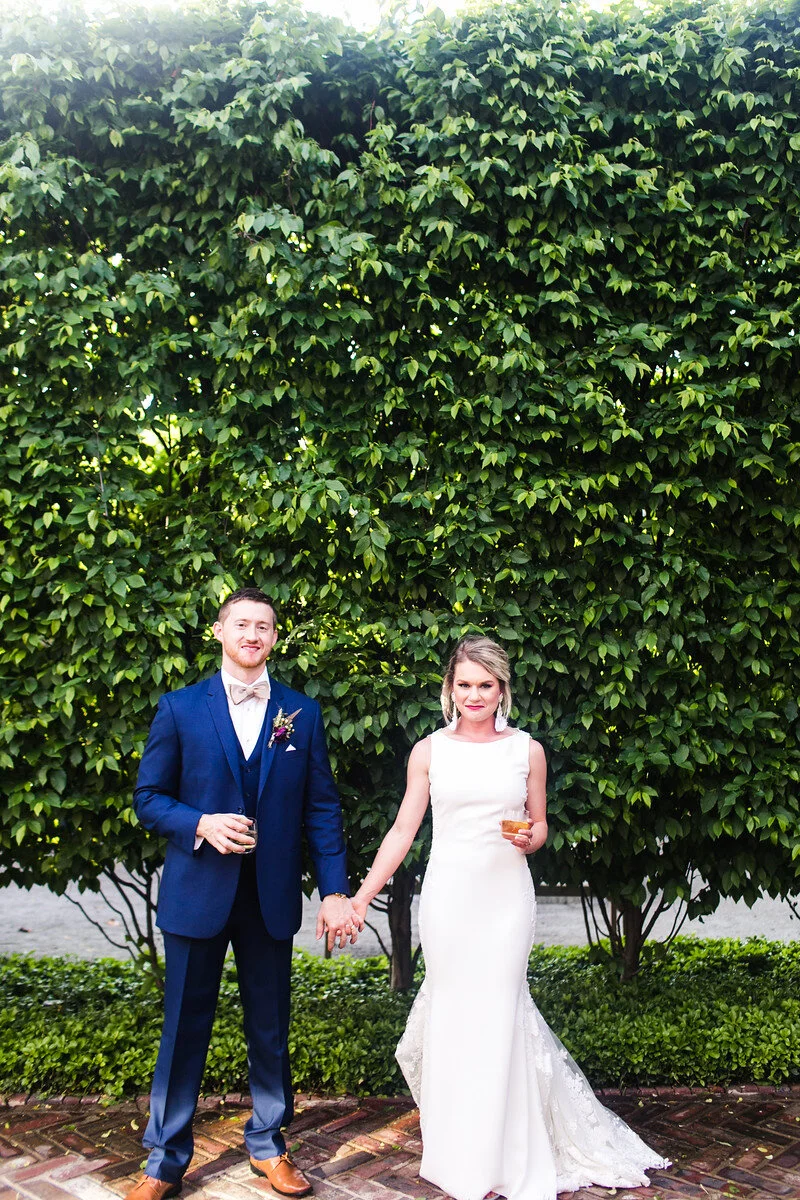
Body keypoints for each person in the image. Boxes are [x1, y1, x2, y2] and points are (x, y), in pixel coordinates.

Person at [352, 635, 669, 1200]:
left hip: (505, 900)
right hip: (450, 899)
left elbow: (540, 823)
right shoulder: (428, 752)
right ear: (450, 688)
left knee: (500, 1011)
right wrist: (360, 897)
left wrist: (532, 837)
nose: (475, 695)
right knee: (454, 1012)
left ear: (503, 690)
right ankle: (459, 1155)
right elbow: (403, 831)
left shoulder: (527, 750)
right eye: (465, 684)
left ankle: (508, 1155)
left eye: (486, 685)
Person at [126, 587, 362, 1200]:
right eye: (242, 624)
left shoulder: (300, 714)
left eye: (264, 626)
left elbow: (321, 809)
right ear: (219, 631)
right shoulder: (179, 709)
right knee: (183, 1027)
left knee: (269, 1026)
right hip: (196, 892)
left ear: (275, 637)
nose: (253, 634)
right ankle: (164, 1159)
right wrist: (200, 824)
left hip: (269, 897)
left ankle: (268, 1143)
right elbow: (148, 799)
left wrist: (335, 889)